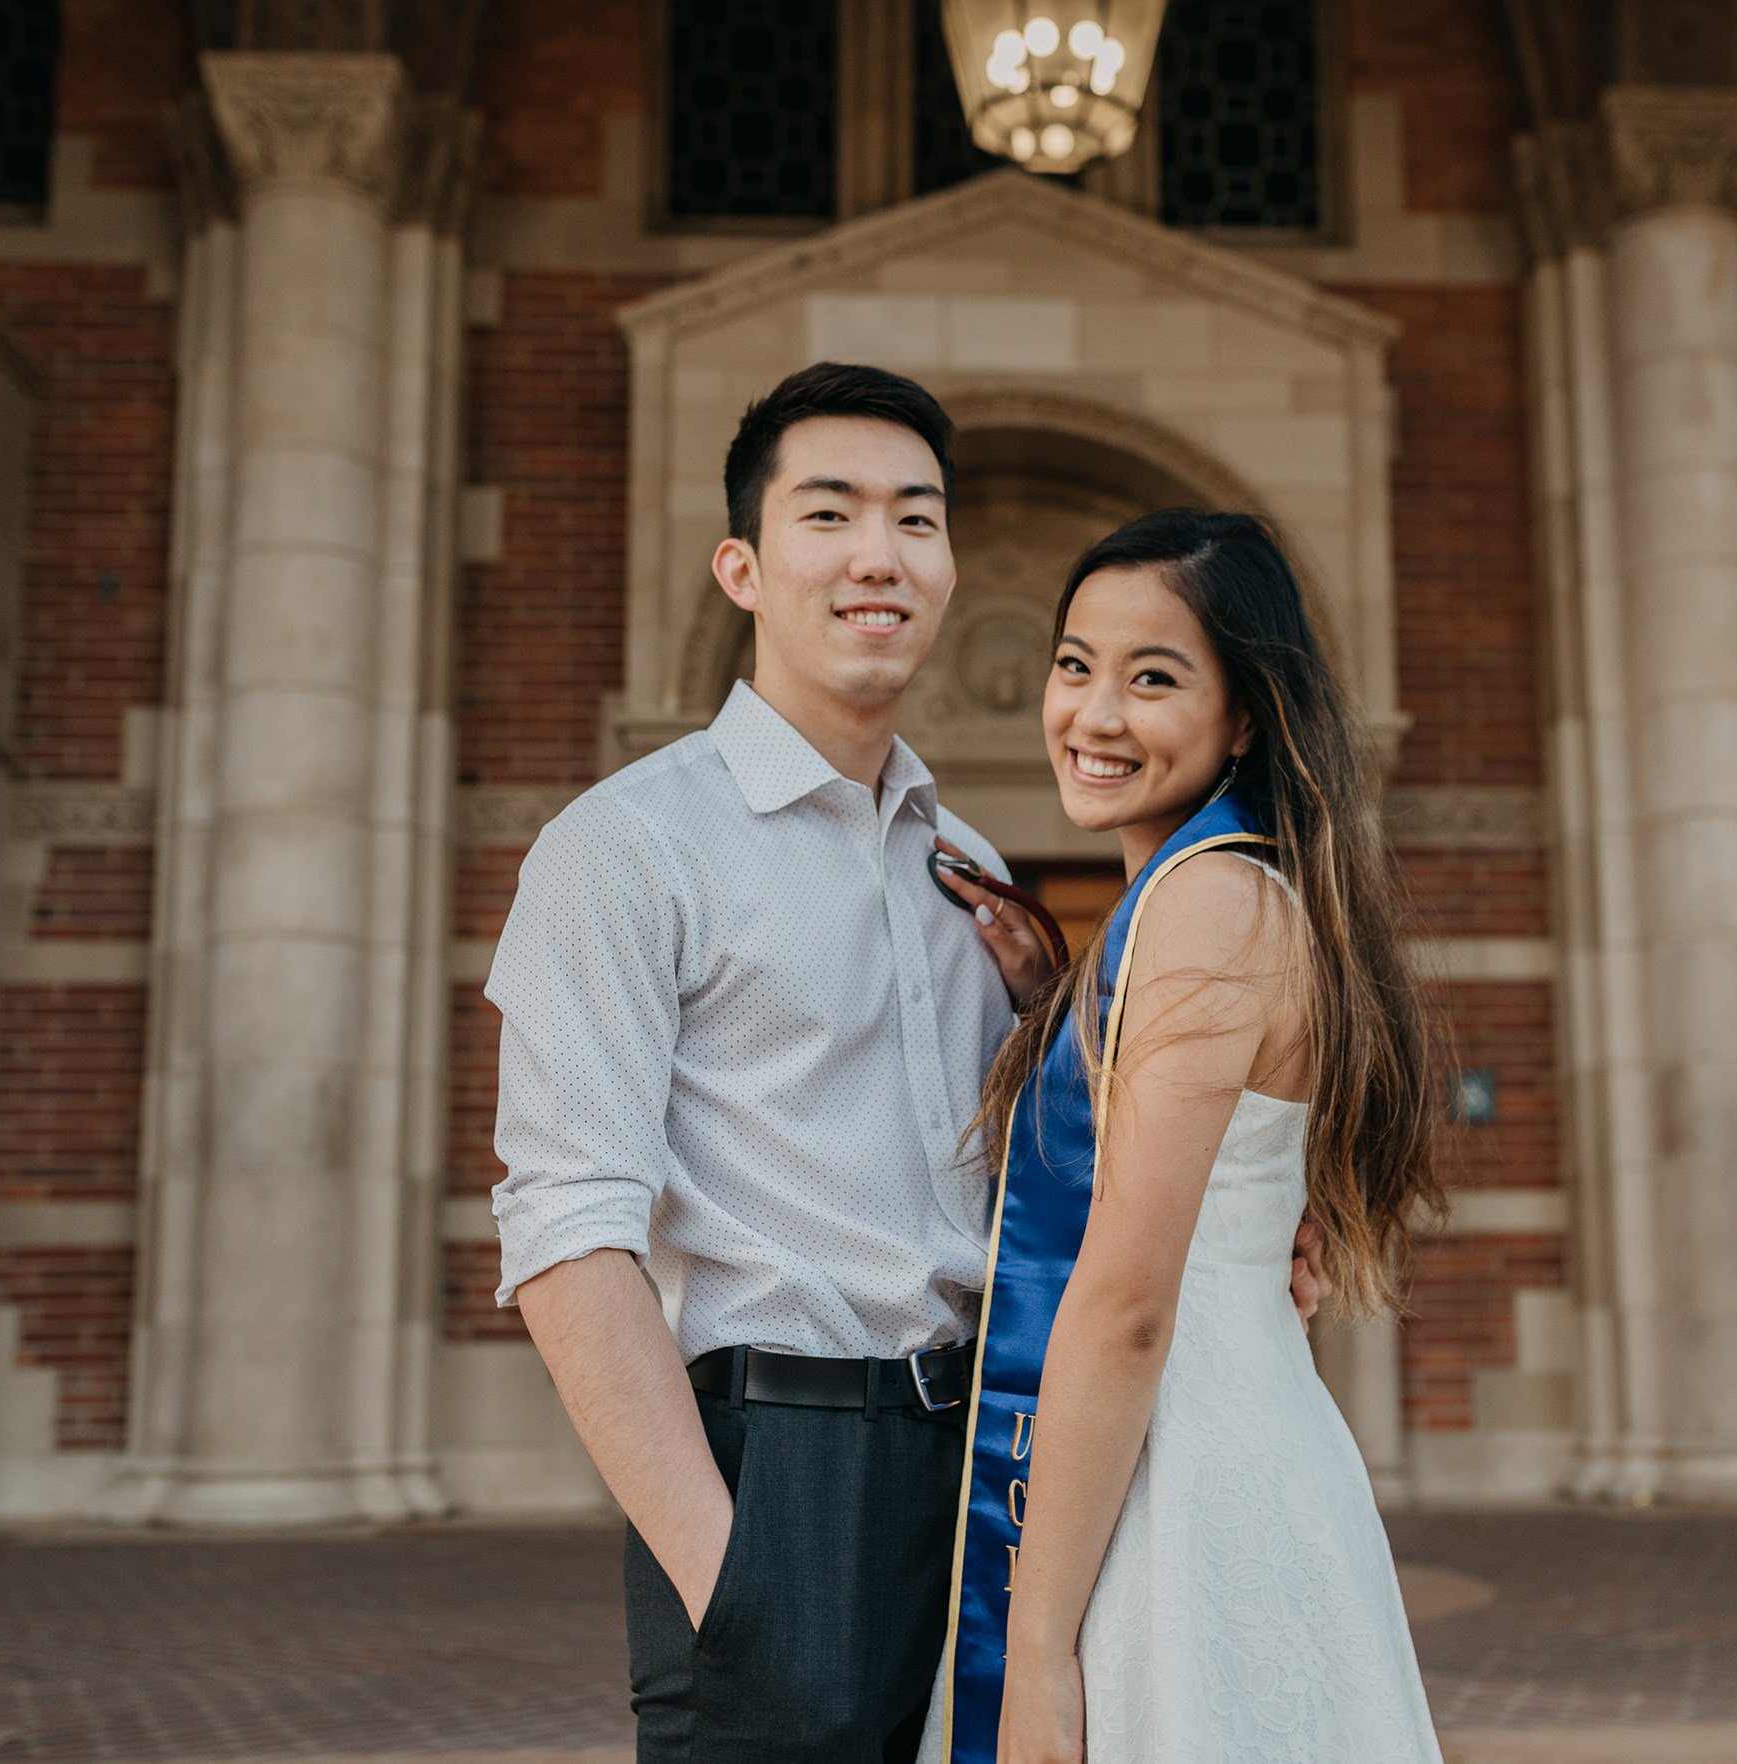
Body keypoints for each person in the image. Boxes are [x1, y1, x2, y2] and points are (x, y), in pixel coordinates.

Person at [484, 366, 1331, 1763]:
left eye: (917, 520)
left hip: (986, 1471)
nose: (881, 553)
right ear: (743, 567)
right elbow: (567, 1234)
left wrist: (1260, 1210)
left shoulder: (973, 875)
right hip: (780, 1478)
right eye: (832, 514)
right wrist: (731, 1580)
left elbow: (1050, 1196)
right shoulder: (626, 850)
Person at [921, 510, 1447, 1764]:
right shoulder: (1213, 896)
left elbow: (1126, 1303)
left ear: (1247, 715)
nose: (1094, 714)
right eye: (1073, 663)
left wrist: (1037, 1655)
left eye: (1153, 677)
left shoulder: (1208, 905)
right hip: (1202, 1441)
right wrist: (1065, 1009)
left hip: (1177, 1479)